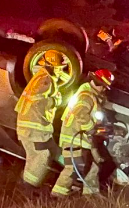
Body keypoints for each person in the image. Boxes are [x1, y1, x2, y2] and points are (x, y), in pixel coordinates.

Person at [52, 70, 114, 197]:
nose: (103, 89)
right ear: (96, 82)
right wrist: (91, 128)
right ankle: (57, 195)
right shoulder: (86, 96)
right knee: (72, 169)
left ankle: (90, 195)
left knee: (93, 166)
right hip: (74, 138)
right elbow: (80, 114)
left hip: (81, 139)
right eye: (102, 85)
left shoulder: (91, 96)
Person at [14, 50, 63, 190]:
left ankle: (73, 175)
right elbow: (38, 101)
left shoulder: (41, 77)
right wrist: (55, 101)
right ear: (51, 66)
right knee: (41, 156)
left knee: (54, 151)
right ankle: (27, 189)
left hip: (36, 128)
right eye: (59, 68)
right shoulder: (45, 79)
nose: (61, 71)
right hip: (33, 128)